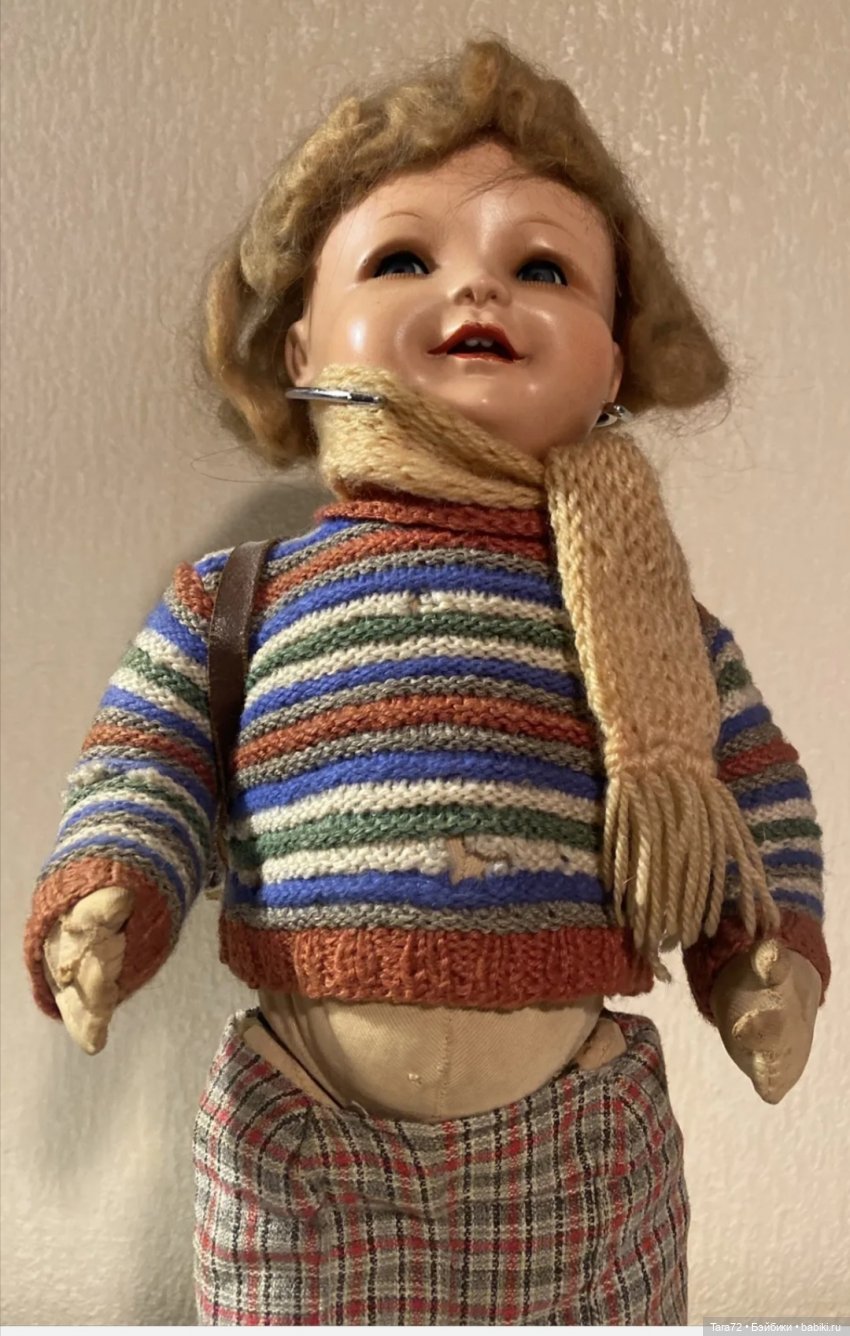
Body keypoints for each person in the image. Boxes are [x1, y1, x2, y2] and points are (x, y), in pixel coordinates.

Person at [23, 36, 829, 1326]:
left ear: (613, 361)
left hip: (577, 1148)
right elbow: (146, 766)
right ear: (302, 341)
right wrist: (113, 883)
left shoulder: (651, 619)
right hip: (303, 1150)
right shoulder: (238, 603)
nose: (477, 287)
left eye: (543, 268)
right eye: (403, 257)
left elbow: (751, 797)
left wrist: (762, 959)